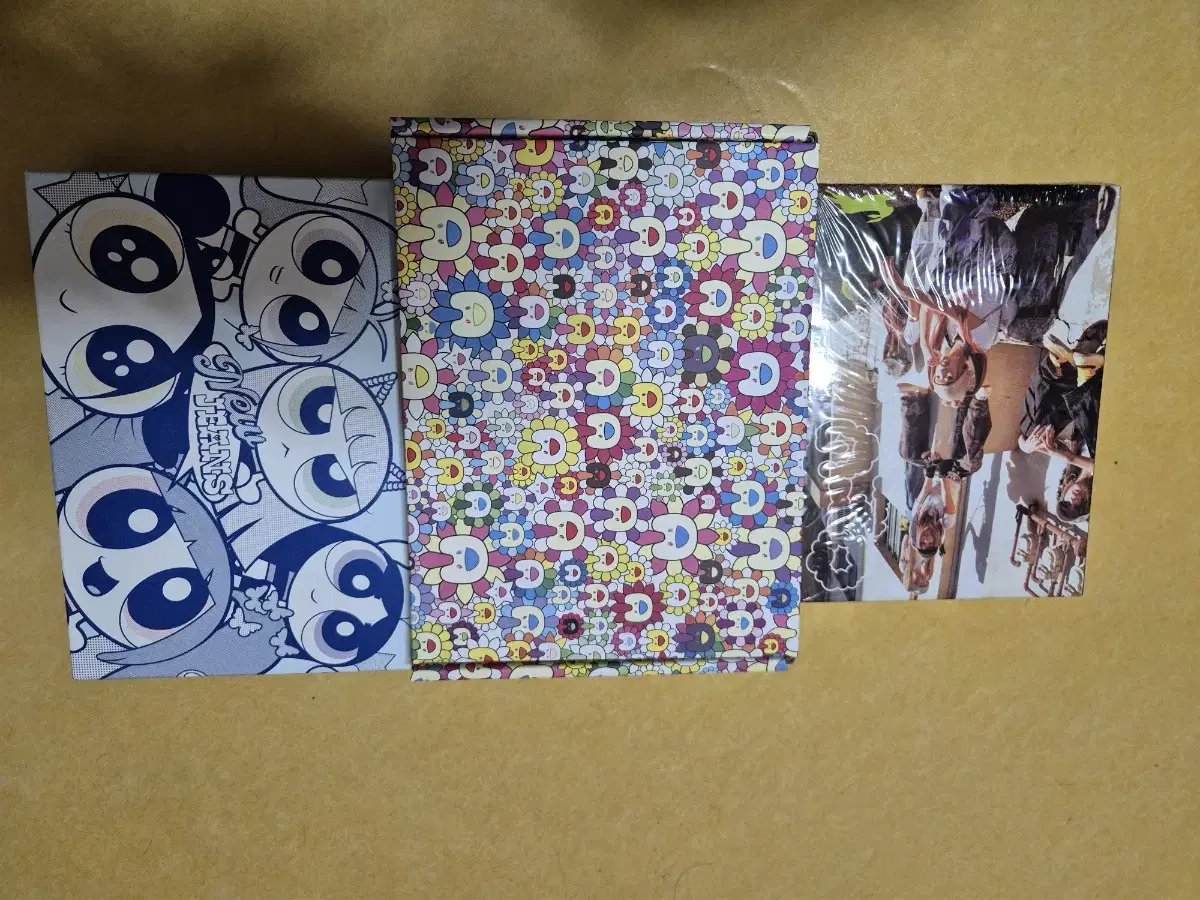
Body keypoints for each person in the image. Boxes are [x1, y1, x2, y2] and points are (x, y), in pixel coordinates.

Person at [1017, 322, 1105, 521]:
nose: (1074, 501)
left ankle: (1059, 366)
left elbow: (1021, 440)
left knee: (1032, 432)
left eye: (1066, 504)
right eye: (1078, 507)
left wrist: (1028, 447)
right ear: (1088, 503)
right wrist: (1067, 455)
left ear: (1064, 493)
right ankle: (1084, 369)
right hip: (1103, 408)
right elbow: (1101, 466)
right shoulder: (1102, 483)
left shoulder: (1072, 469)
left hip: (1084, 397)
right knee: (1096, 444)